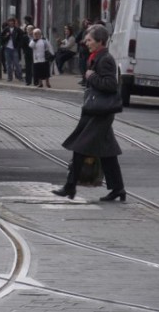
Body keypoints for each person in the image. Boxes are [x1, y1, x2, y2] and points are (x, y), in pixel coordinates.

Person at [53, 24, 126, 202]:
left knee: (80, 146)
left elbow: (110, 84)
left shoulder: (105, 59)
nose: (86, 42)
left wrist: (91, 76)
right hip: (96, 111)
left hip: (100, 112)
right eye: (86, 39)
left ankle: (70, 186)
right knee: (107, 151)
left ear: (100, 41)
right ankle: (118, 189)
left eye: (90, 39)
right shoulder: (96, 57)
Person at [0, 16, 23, 82]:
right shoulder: (6, 29)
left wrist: (18, 46)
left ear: (14, 23)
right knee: (8, 64)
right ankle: (9, 77)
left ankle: (20, 77)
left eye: (12, 22)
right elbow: (1, 38)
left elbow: (21, 38)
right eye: (10, 22)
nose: (11, 23)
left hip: (14, 48)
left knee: (16, 63)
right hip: (7, 48)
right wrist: (6, 36)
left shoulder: (17, 30)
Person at [76, 18, 91, 86]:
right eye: (86, 23)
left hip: (88, 51)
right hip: (83, 50)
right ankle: (84, 79)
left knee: (86, 66)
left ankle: (87, 80)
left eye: (88, 23)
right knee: (82, 65)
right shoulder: (83, 31)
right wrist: (81, 42)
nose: (87, 24)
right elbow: (77, 39)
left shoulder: (91, 31)